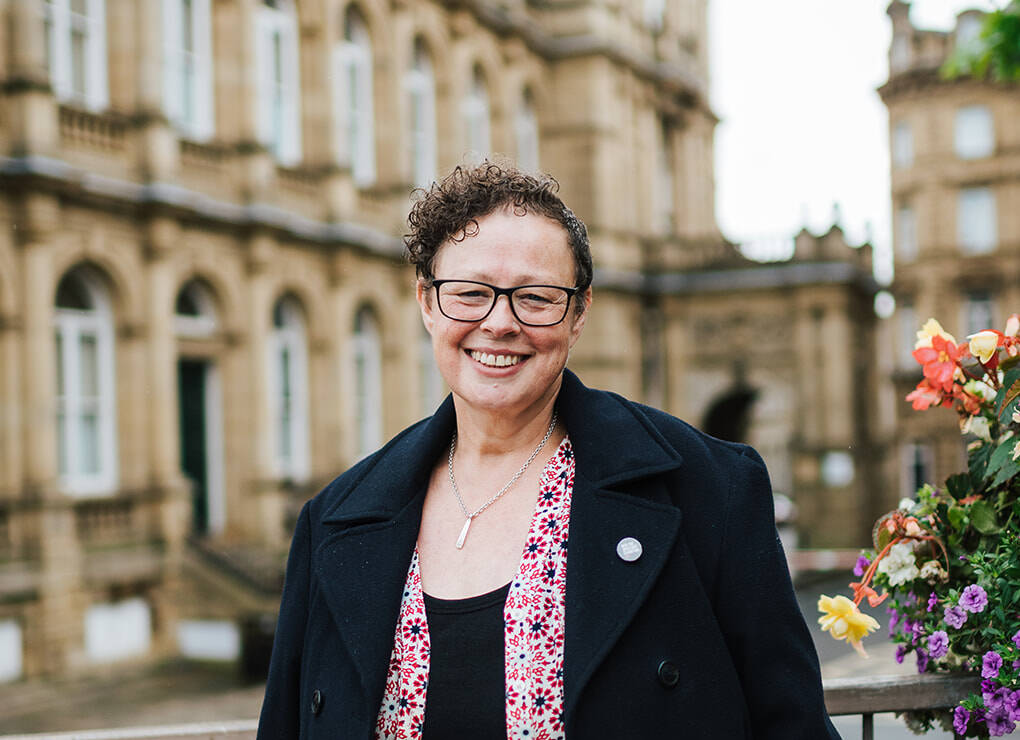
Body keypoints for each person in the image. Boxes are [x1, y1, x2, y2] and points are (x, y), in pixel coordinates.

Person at [257, 163, 840, 739]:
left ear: (579, 312)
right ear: (427, 304)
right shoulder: (334, 519)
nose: (500, 322)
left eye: (534, 298)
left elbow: (792, 727)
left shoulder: (710, 488)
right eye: (469, 293)